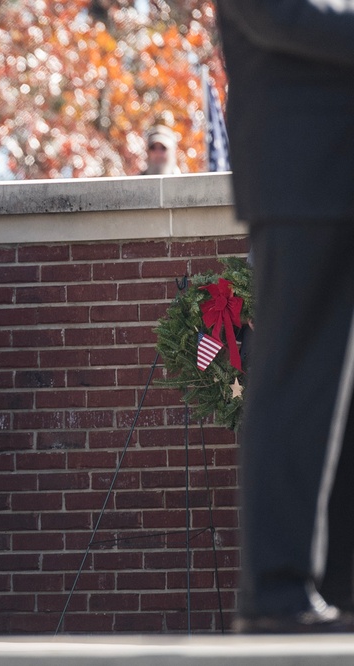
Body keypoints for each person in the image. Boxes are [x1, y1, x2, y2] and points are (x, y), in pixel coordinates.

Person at [217, 0, 354, 633]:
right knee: (295, 384)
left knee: (342, 404)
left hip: (334, 177)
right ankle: (276, 590)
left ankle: (336, 585)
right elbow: (283, 18)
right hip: (303, 175)